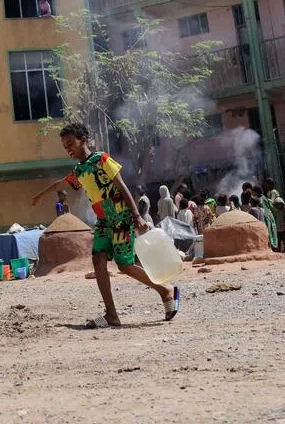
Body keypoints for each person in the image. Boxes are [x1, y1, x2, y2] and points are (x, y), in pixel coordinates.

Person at [31, 121, 178, 327]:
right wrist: (40, 195)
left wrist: (136, 215)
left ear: (83, 140)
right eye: (65, 147)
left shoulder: (101, 159)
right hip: (103, 221)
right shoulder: (79, 170)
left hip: (121, 217)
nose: (68, 149)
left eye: (70, 144)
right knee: (98, 260)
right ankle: (111, 314)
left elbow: (123, 186)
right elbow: (61, 183)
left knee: (125, 266)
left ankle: (165, 290)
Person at [252, 185, 278, 251]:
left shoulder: (259, 200)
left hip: (266, 218)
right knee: (272, 232)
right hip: (270, 216)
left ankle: (271, 248)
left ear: (255, 192)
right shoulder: (264, 197)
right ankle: (274, 247)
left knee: (268, 233)